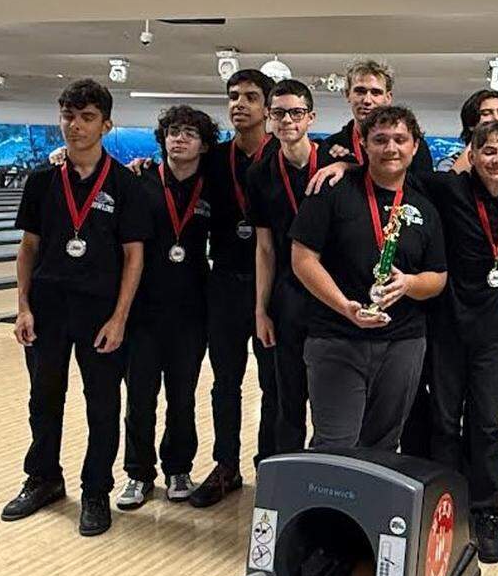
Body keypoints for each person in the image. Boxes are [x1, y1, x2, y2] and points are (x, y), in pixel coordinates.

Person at [2, 79, 151, 536]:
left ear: (106, 124)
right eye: (68, 115)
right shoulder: (43, 181)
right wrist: (23, 307)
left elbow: (134, 255)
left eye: (86, 117)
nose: (75, 125)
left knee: (102, 404)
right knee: (43, 399)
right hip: (47, 308)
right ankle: (44, 477)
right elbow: (28, 248)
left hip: (100, 312)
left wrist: (120, 317)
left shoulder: (126, 185)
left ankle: (95, 490)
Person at [290, 105, 446, 450]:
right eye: (380, 139)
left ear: (415, 146)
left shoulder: (424, 206)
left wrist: (408, 284)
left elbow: (438, 277)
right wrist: (344, 306)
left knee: (383, 445)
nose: (391, 148)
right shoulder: (332, 190)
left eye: (400, 139)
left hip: (402, 343)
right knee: (336, 444)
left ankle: (369, 507)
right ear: (364, 144)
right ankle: (328, 506)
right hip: (337, 338)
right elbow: (302, 260)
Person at [418, 121, 498, 563]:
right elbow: (396, 169)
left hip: (492, 329)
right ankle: (443, 508)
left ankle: (483, 509)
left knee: (486, 423)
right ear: (471, 153)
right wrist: (344, 164)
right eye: (488, 151)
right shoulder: (447, 188)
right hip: (446, 324)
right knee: (445, 421)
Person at [117, 106, 219, 511]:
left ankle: (179, 467)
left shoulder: (212, 188)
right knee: (139, 396)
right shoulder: (139, 180)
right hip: (143, 310)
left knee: (183, 396)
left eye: (190, 134)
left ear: (203, 145)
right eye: (174, 132)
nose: (180, 139)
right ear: (163, 139)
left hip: (191, 310)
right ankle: (138, 474)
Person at [190, 69, 281, 509]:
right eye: (232, 96)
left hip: (272, 288)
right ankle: (225, 465)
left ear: (266, 108)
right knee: (224, 382)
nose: (239, 104)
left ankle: (270, 465)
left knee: (272, 384)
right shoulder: (214, 159)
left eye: (249, 97)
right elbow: (171, 179)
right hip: (224, 283)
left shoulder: (284, 156)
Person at [246, 78, 339, 455]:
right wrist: (260, 310)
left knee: (331, 399)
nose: (288, 121)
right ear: (268, 118)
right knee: (288, 398)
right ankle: (286, 484)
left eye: (296, 113)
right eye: (279, 113)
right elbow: (265, 248)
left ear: (310, 118)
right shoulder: (260, 174)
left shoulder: (336, 167)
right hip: (288, 297)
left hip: (333, 295)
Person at [324, 59, 434, 176]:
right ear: (347, 94)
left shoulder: (411, 146)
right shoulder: (332, 147)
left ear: (388, 98)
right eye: (360, 91)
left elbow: (423, 190)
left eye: (376, 93)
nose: (367, 100)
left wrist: (352, 167)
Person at [435, 89, 498, 173]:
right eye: (486, 113)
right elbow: (447, 184)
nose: (497, 118)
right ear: (470, 124)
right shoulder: (448, 164)